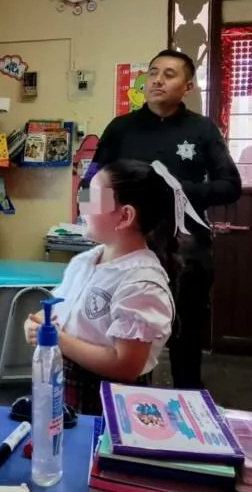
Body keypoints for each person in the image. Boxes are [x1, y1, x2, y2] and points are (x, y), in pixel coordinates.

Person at [82, 49, 242, 389]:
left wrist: (177, 191)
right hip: (126, 247)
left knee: (186, 336)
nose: (157, 80)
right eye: (153, 72)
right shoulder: (120, 128)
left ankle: (188, 403)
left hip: (185, 249)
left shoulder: (202, 129)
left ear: (187, 86)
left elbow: (231, 186)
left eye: (169, 74)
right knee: (118, 329)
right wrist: (89, 225)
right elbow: (90, 180)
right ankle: (119, 405)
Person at [24, 159, 210, 415]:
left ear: (125, 216)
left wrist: (59, 340)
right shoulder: (85, 261)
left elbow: (125, 365)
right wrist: (37, 324)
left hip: (107, 402)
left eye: (92, 199)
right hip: (63, 387)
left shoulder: (141, 283)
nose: (82, 206)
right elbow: (61, 310)